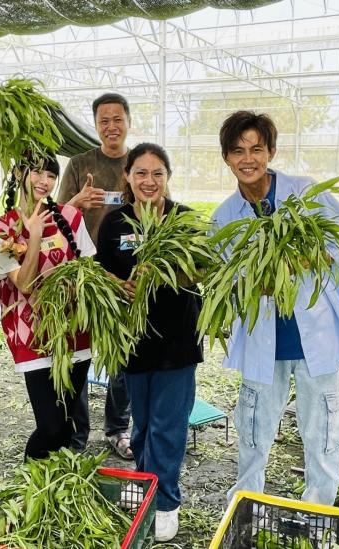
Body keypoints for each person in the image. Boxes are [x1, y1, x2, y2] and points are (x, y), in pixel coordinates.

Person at [212, 111, 339, 506]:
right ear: (227, 157)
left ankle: (319, 510)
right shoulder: (224, 217)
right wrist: (249, 284)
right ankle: (246, 503)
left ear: (271, 151)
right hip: (264, 343)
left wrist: (307, 259)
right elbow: (223, 282)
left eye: (256, 149)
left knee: (324, 432)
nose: (248, 159)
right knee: (253, 427)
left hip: (316, 339)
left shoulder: (306, 194)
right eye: (238, 150)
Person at [95, 143, 203, 541]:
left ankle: (167, 502)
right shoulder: (113, 223)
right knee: (141, 427)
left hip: (177, 339)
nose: (149, 181)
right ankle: (145, 487)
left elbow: (200, 272)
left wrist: (170, 273)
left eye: (158, 173)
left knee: (167, 427)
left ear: (167, 177)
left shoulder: (184, 220)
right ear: (127, 176)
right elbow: (98, 271)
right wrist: (120, 284)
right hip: (133, 339)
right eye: (141, 172)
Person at [0, 154, 98, 460]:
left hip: (75, 331)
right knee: (49, 426)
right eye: (36, 172)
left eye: (50, 175)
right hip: (32, 335)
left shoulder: (71, 217)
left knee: (66, 424)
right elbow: (22, 283)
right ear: (19, 173)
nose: (44, 181)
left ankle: (49, 490)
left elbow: (87, 270)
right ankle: (30, 477)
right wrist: (33, 234)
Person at [57, 92, 134, 458]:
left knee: (122, 353)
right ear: (96, 125)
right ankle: (75, 436)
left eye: (117, 119)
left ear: (128, 122)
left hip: (126, 271)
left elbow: (160, 204)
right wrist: (76, 203)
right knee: (78, 354)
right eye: (104, 120)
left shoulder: (139, 163)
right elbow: (55, 215)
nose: (111, 126)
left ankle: (118, 429)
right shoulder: (79, 164)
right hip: (83, 273)